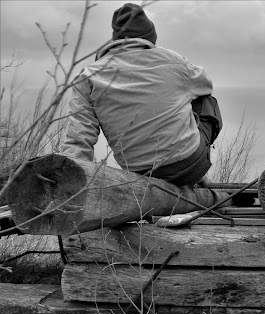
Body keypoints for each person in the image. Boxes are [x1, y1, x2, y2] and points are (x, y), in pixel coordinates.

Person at [61, 3, 221, 186]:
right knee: (204, 99)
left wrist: (70, 180)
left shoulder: (88, 76)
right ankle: (197, 175)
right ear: (150, 38)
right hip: (188, 165)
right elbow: (206, 84)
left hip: (138, 172)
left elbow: (78, 138)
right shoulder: (172, 60)